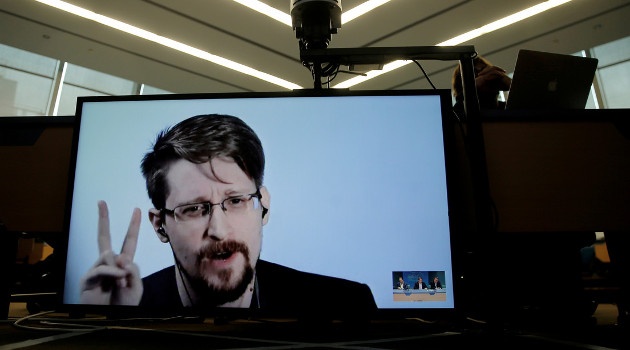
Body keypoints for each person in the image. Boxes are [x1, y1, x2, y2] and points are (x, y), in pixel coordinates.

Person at [79, 114, 377, 317]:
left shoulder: (345, 307)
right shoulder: (126, 309)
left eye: (235, 200)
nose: (219, 230)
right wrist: (104, 324)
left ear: (264, 207)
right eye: (194, 209)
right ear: (160, 226)